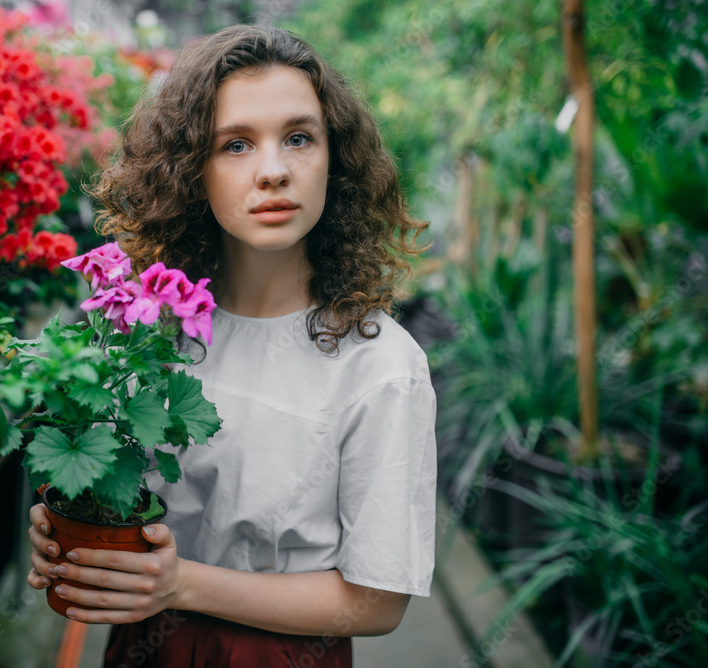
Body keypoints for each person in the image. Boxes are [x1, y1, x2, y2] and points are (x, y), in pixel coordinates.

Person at [26, 24, 437, 667]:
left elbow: (379, 602)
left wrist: (183, 583)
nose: (273, 171)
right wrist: (70, 528)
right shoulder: (146, 333)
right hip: (141, 642)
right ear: (192, 171)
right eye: (236, 145)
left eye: (299, 137)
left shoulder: (381, 366)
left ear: (337, 159)